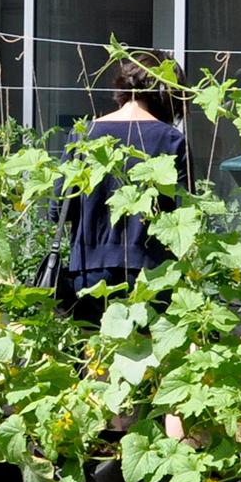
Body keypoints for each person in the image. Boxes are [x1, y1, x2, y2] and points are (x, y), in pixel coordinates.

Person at [56, 53, 188, 322]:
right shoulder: (172, 139)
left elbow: (58, 210)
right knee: (146, 359)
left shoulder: (83, 134)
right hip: (152, 271)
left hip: (88, 269)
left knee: (95, 358)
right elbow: (184, 216)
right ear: (168, 95)